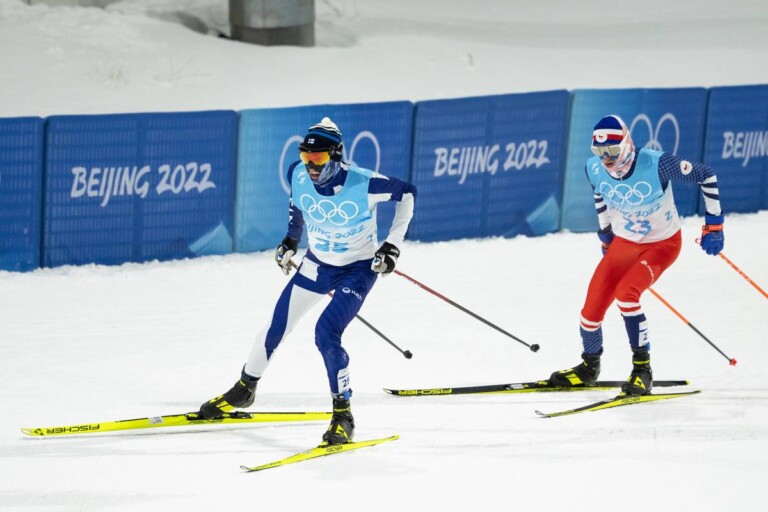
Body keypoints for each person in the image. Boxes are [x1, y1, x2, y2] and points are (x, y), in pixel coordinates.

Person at [197, 117, 417, 445]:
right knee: (273, 329)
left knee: (326, 334)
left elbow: (408, 193)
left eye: (318, 157)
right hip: (316, 266)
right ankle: (245, 389)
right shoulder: (297, 173)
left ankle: (343, 416)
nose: (311, 165)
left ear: (336, 155)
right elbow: (298, 204)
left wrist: (392, 245)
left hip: (357, 269)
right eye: (305, 156)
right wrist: (290, 240)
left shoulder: (364, 182)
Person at [549, 114, 724, 395]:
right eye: (599, 152)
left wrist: (714, 225)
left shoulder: (657, 163)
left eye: (612, 150)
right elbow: (599, 195)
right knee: (590, 311)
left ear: (627, 145)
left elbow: (707, 174)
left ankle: (642, 369)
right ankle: (589, 366)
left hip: (662, 245)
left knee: (626, 294)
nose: (606, 159)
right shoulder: (593, 167)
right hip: (625, 243)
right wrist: (606, 235)